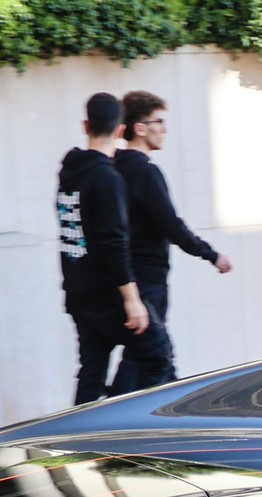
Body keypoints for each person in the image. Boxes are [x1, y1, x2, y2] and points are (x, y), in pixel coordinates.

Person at [110, 91, 232, 395]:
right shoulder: (144, 171)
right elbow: (170, 225)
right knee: (152, 354)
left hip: (122, 275)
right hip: (147, 279)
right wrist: (211, 254)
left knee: (145, 353)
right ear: (140, 127)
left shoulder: (112, 167)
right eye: (159, 122)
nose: (164, 129)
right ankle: (121, 417)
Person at [55, 92, 154, 405]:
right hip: (107, 295)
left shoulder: (69, 173)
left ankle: (76, 444)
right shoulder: (106, 177)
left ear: (86, 125)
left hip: (78, 293)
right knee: (157, 357)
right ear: (122, 130)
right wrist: (132, 298)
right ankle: (133, 435)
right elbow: (114, 242)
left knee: (90, 375)